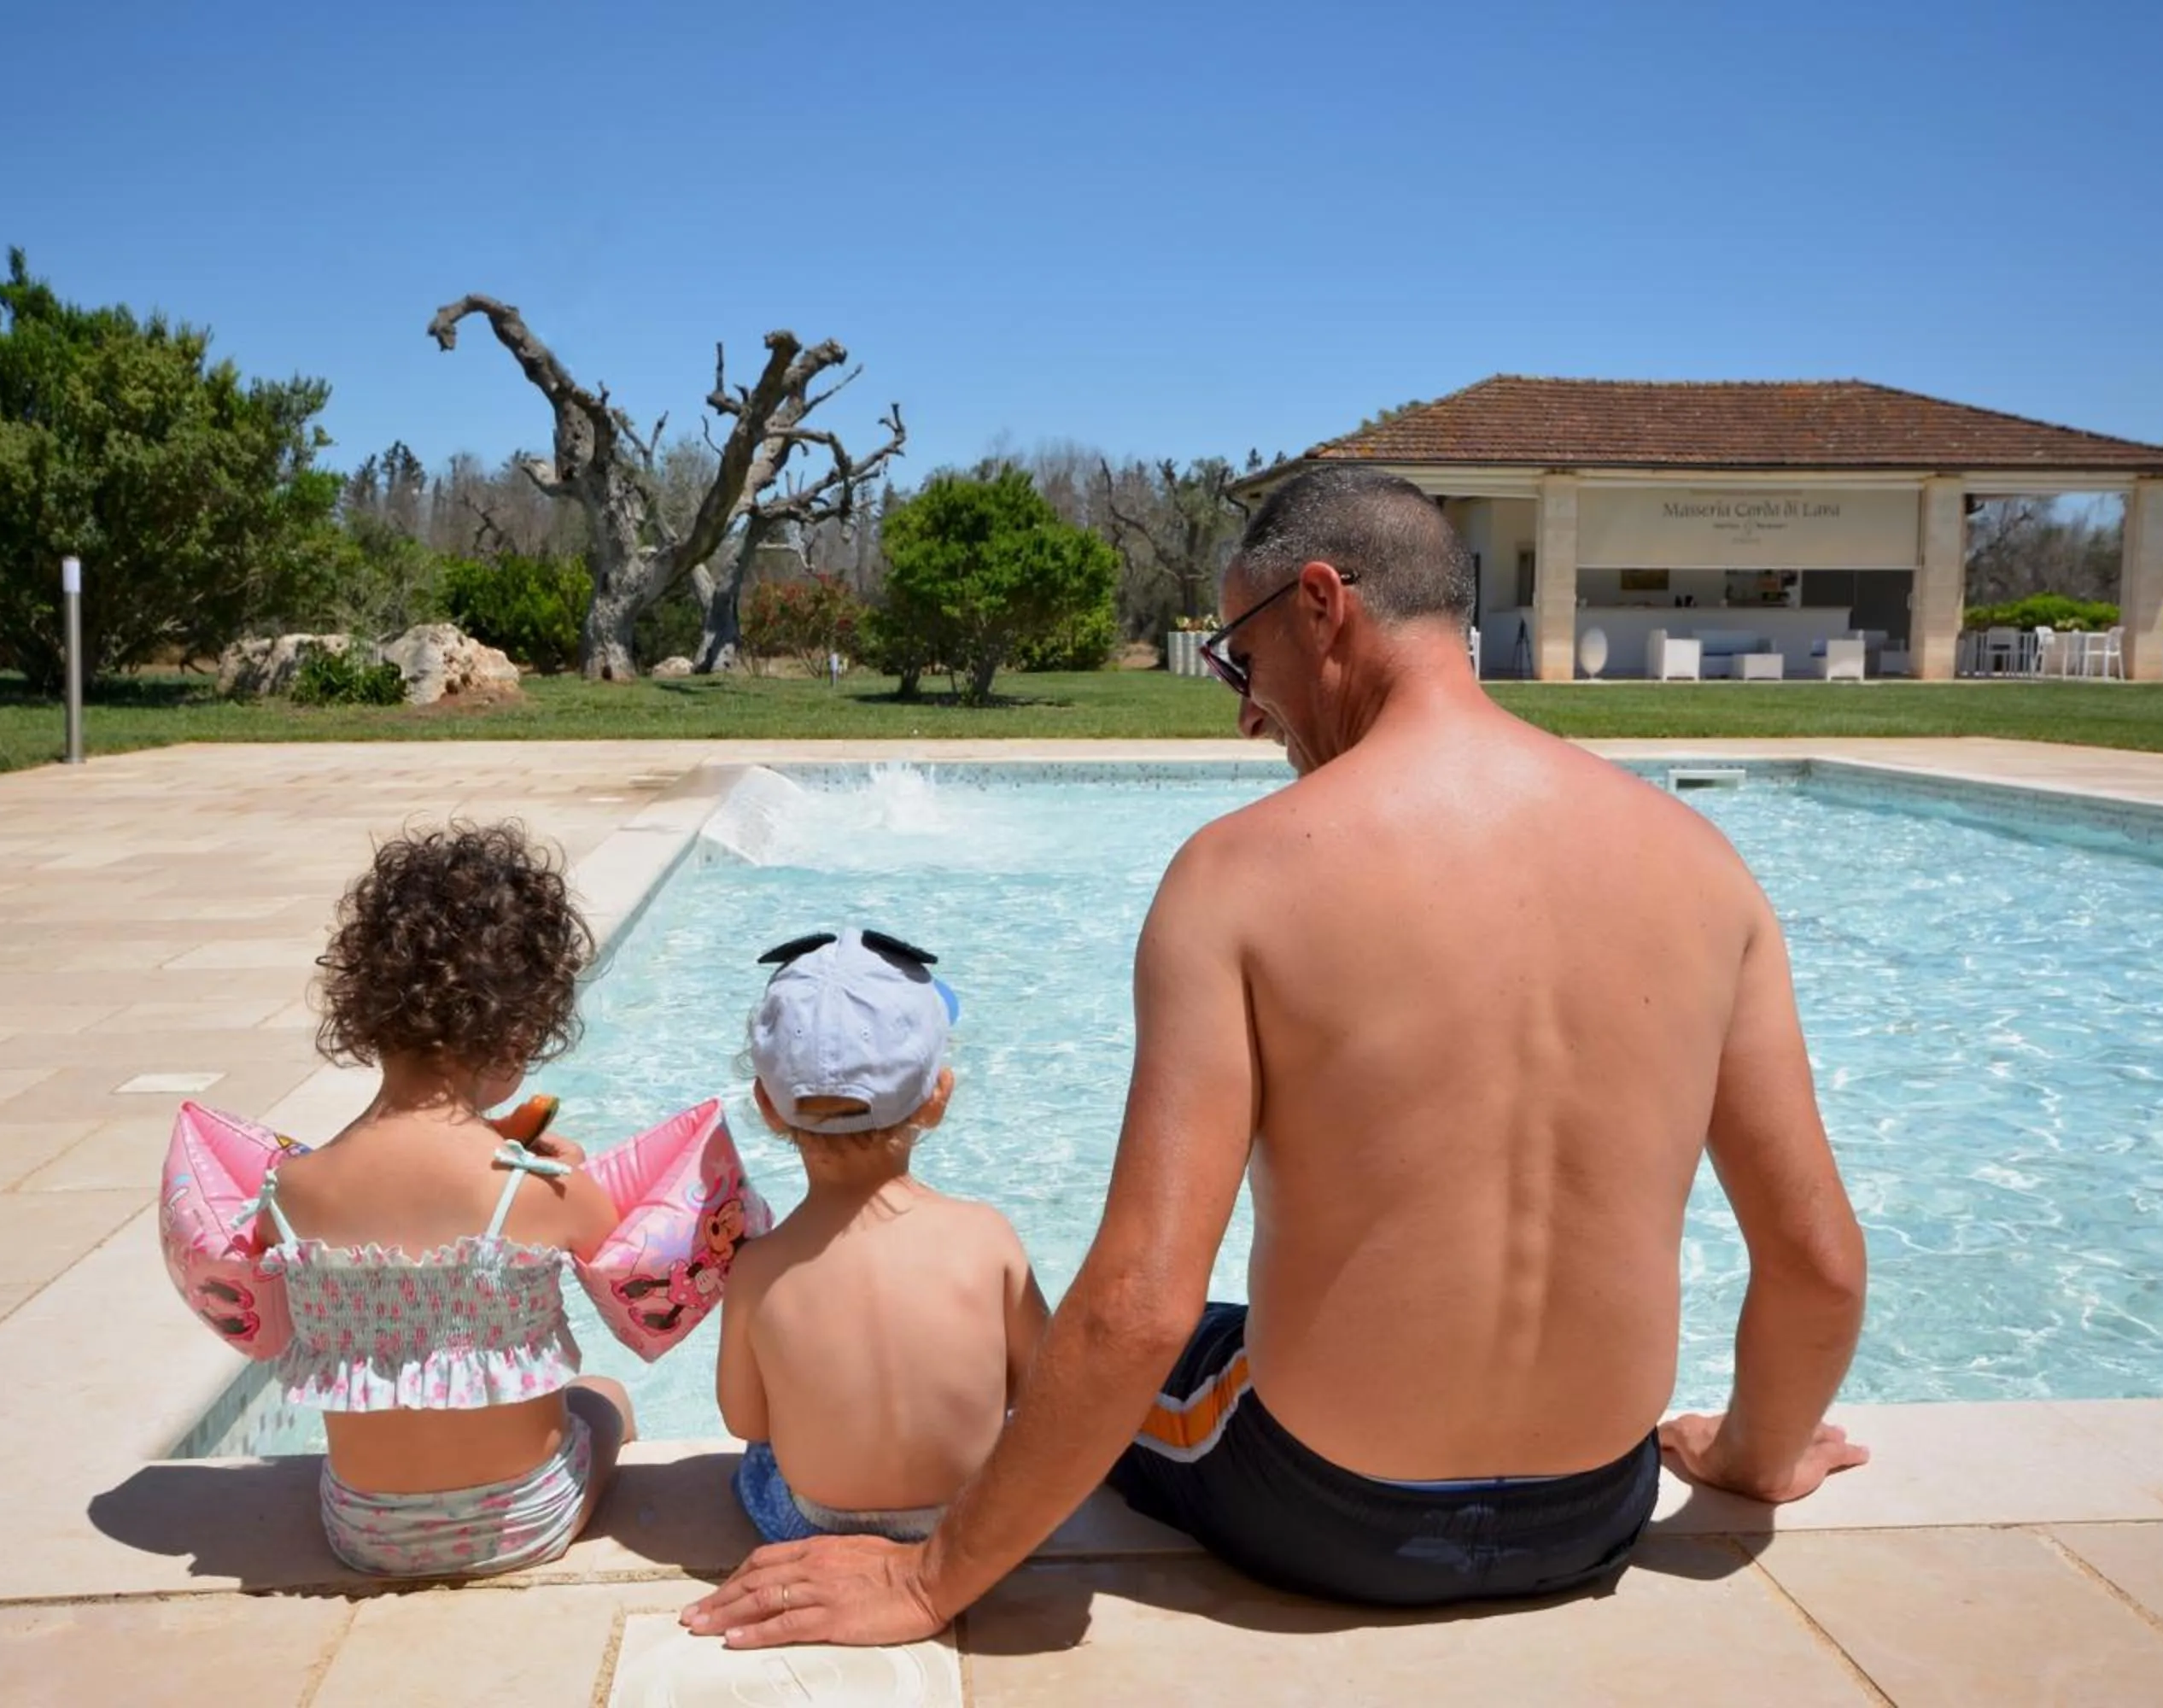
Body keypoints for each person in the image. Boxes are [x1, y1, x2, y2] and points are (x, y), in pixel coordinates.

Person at [685, 465, 1868, 1644]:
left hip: (1326, 1513)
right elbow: (1816, 1261)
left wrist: (927, 1579)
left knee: (1069, 1354)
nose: (1245, 711)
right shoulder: (1704, 866)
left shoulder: (1241, 878)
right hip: (1593, 1506)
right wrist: (1752, 1458)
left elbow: (1143, 1304)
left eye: (1238, 661)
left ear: (1320, 603)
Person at [252, 822, 638, 1580]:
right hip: (524, 1523)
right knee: (605, 1397)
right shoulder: (534, 1191)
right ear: (521, 1031)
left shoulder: (289, 1192)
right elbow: (626, 1254)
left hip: (359, 1528)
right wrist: (570, 1170)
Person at [718, 927, 1049, 1543]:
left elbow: (747, 1421)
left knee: (757, 1465)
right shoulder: (986, 1237)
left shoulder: (758, 1269)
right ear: (937, 1097)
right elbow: (1042, 1385)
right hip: (968, 1529)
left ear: (766, 1104)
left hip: (814, 1525)